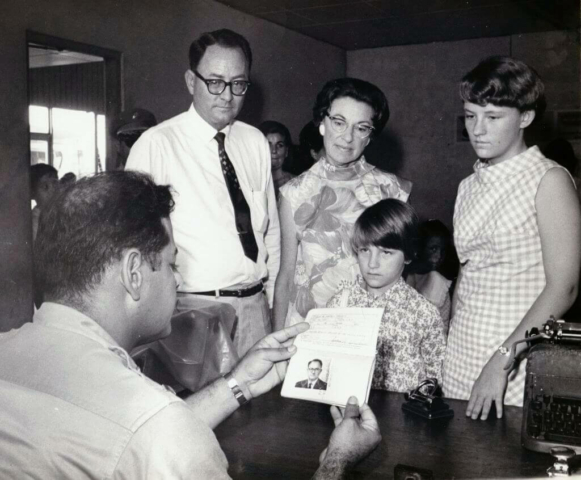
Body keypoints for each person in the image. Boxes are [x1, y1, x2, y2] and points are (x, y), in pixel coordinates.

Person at [0, 171, 380, 479]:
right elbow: (152, 434)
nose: (177, 280)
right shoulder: (161, 432)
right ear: (134, 273)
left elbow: (120, 433)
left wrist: (238, 384)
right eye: (171, 263)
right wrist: (337, 461)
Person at [442, 56, 581, 420]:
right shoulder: (468, 185)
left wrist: (502, 362)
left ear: (525, 117)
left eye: (492, 116)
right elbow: (468, 274)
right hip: (462, 351)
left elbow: (563, 288)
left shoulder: (549, 179)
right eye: (471, 115)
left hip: (514, 361)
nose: (478, 129)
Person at [127, 29, 280, 357]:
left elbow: (271, 234)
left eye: (239, 84)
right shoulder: (157, 144)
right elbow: (134, 243)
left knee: (264, 407)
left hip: (256, 308)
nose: (227, 95)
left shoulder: (255, 142)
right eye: (215, 81)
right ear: (190, 81)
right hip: (193, 313)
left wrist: (269, 303)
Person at [273, 77, 412, 330]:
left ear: (370, 136)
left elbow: (403, 277)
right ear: (322, 123)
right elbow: (285, 278)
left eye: (361, 128)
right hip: (308, 329)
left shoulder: (394, 190)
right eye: (339, 122)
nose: (347, 137)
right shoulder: (294, 193)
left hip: (371, 330)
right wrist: (276, 349)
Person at [327, 199, 446, 393]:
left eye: (386, 252)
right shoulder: (339, 304)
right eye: (365, 250)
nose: (372, 263)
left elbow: (436, 376)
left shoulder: (424, 313)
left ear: (408, 255)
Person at [405, 219, 455, 333]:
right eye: (433, 249)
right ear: (420, 248)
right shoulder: (405, 275)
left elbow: (443, 326)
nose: (439, 256)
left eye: (443, 250)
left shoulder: (441, 285)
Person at [258, 120, 295, 199]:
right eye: (268, 145)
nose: (274, 150)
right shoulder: (250, 182)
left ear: (286, 152)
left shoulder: (295, 183)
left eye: (280, 145)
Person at [30, 163, 59, 242]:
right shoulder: (34, 222)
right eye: (45, 187)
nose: (52, 190)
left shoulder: (61, 211)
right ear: (32, 193)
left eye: (55, 184)